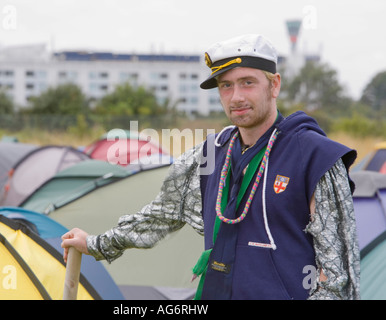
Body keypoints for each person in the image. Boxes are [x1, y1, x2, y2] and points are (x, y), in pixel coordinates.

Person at [62, 34, 360, 300]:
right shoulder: (209, 154)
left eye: (248, 82)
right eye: (225, 86)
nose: (237, 97)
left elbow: (338, 275)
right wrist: (96, 243)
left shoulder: (315, 156)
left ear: (274, 84)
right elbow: (160, 216)